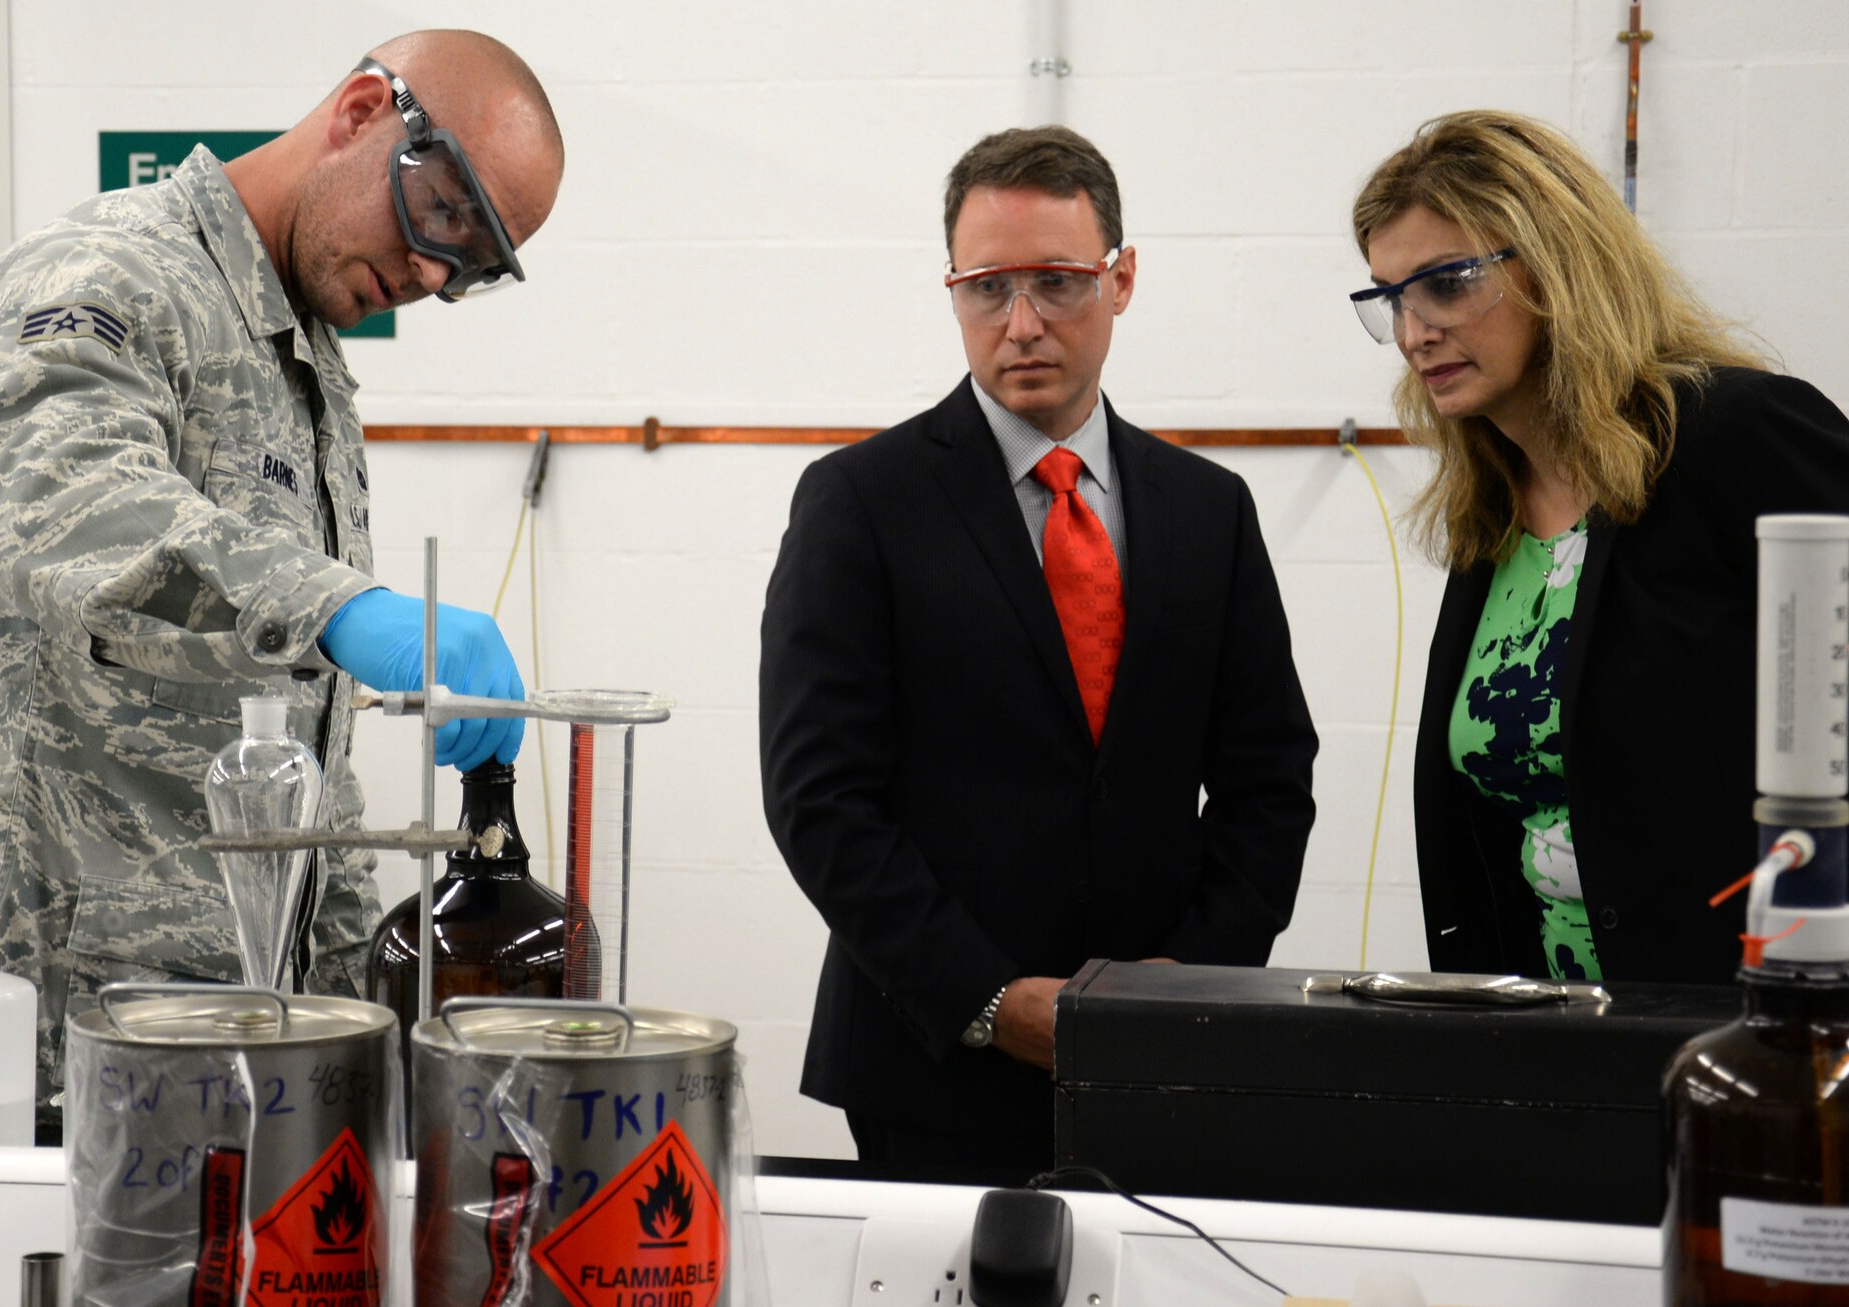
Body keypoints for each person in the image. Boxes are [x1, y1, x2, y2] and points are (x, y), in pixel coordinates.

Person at [0, 29, 565, 1125]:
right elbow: (62, 501)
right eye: (445, 213)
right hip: (21, 1022)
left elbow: (291, 733)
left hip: (198, 1031)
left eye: (474, 264)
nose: (432, 270)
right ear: (365, 108)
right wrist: (343, 606)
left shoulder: (300, 357)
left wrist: (351, 1009)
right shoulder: (107, 272)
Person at [760, 126, 1317, 1174]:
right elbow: (819, 798)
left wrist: (1184, 983)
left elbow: (1267, 783)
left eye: (1057, 283)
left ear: (1121, 278)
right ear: (952, 290)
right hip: (930, 1062)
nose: (1019, 324)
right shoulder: (859, 503)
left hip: (1159, 1060)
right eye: (985, 288)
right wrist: (987, 998)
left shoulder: (1208, 511)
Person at [1349, 110, 1849, 985]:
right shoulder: (1492, 511)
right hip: (1550, 1034)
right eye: (1391, 298)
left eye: (1447, 282)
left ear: (1561, 264)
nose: (1414, 331)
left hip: (1741, 1027)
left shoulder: (1738, 435)